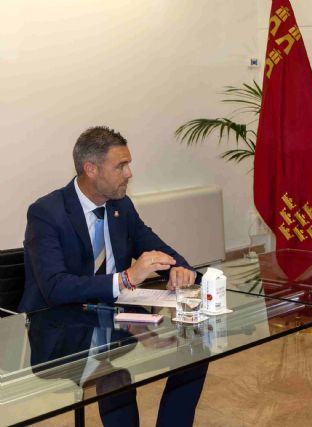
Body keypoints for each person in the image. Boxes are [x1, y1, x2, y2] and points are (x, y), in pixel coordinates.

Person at [19, 126, 207, 426]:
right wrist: (126, 278)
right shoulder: (46, 212)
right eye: (120, 166)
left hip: (114, 321)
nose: (129, 173)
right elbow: (54, 287)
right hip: (61, 328)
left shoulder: (121, 206)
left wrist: (180, 268)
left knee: (196, 348)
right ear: (90, 169)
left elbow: (155, 245)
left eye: (128, 164)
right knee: (115, 377)